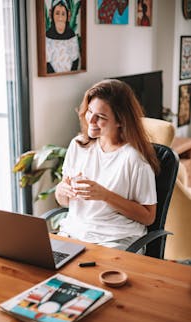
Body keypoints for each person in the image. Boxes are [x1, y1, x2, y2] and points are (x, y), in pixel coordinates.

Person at [55, 79, 160, 252]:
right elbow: (64, 202)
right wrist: (61, 191)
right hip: (74, 233)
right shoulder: (79, 145)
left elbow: (149, 217)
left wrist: (105, 196)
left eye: (101, 117)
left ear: (121, 121)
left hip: (115, 239)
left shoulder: (134, 160)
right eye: (89, 111)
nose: (91, 120)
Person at [46, 0, 80, 73]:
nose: (60, 18)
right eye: (57, 13)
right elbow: (46, 62)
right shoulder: (48, 35)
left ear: (68, 16)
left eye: (63, 14)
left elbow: (75, 59)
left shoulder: (71, 35)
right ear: (51, 14)